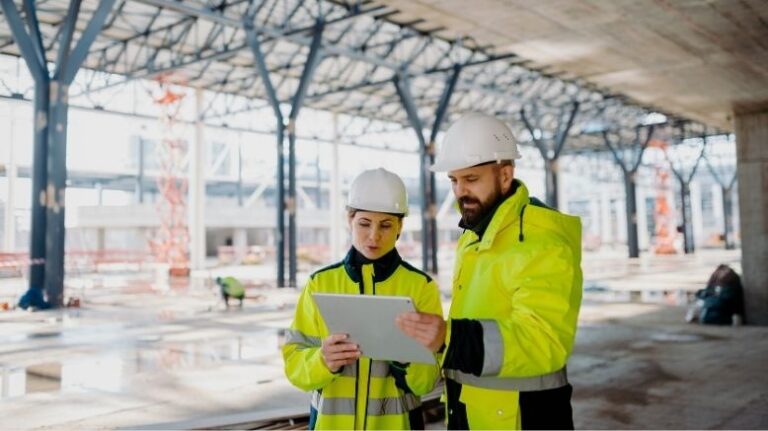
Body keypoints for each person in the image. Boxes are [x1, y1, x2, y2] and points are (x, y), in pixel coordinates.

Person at [396, 112, 583, 429]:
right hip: (468, 409)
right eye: (454, 181)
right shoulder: (472, 237)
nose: (459, 192)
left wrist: (448, 337)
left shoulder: (543, 244)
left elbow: (543, 341)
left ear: (506, 175)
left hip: (525, 416)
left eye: (471, 180)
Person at [283, 168, 442, 430]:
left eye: (386, 225)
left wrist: (404, 358)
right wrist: (322, 361)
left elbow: (426, 383)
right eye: (364, 224)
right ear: (350, 220)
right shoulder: (320, 284)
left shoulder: (421, 288)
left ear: (400, 226)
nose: (374, 236)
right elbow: (294, 366)